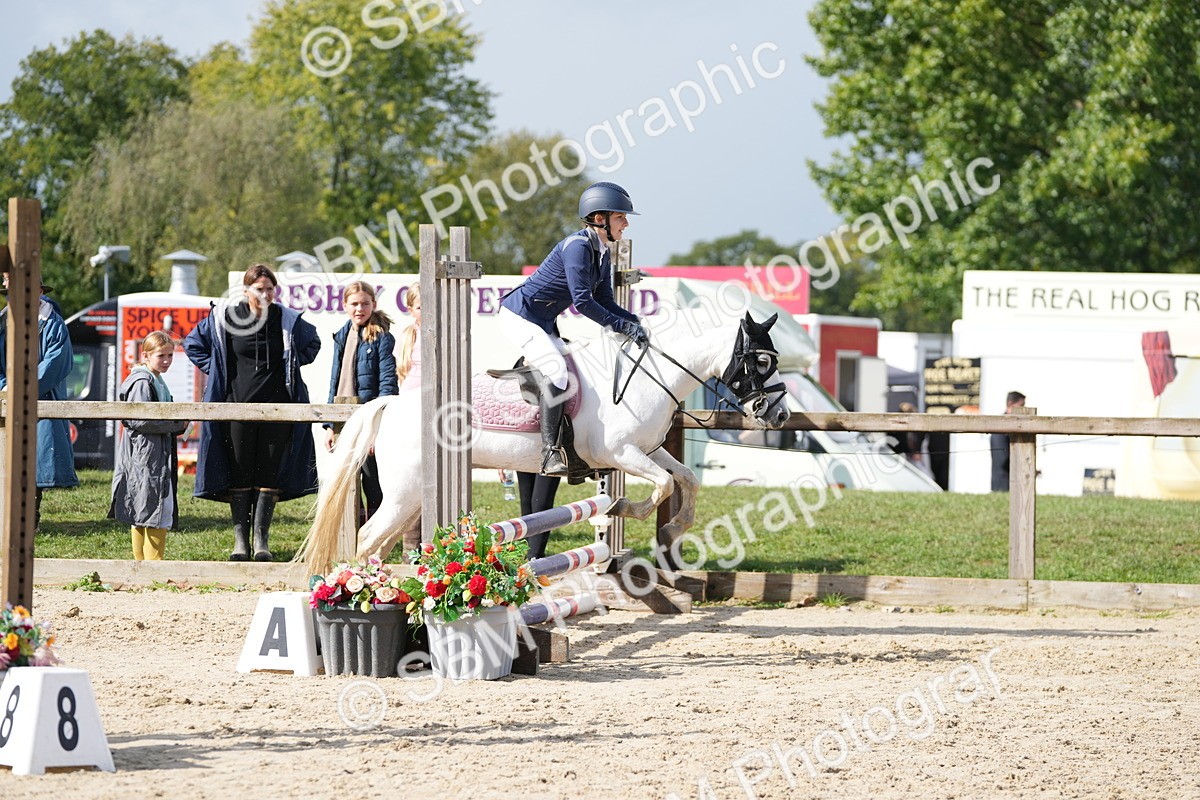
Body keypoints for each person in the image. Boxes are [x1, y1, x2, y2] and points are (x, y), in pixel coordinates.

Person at [499, 181, 647, 476]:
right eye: (621, 217)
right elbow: (583, 302)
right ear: (599, 219)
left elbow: (605, 300)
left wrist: (634, 322)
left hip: (542, 321)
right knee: (556, 370)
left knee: (576, 370)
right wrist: (621, 326)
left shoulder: (602, 251)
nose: (626, 224)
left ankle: (571, 448)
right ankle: (549, 452)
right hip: (519, 315)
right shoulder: (578, 247)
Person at [183, 264, 321, 562]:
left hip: (278, 409)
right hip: (236, 407)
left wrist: (292, 366)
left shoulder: (286, 319)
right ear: (246, 291)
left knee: (268, 474)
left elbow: (314, 343)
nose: (266, 293)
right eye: (260, 288)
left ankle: (261, 542)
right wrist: (217, 370)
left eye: (270, 288)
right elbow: (193, 344)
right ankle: (240, 543)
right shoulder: (227, 317)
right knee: (240, 473)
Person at [0, 272, 79, 528]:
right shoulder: (3, 322)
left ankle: (28, 521)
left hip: (39, 402)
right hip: (4, 401)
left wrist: (22, 388)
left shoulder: (53, 324)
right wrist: (5, 387)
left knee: (33, 465)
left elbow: (55, 364)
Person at [109, 332, 188, 560]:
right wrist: (174, 425)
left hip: (150, 451)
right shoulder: (143, 381)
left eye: (170, 355)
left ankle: (144, 565)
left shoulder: (155, 379)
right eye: (161, 355)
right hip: (145, 453)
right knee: (153, 508)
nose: (167, 360)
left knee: (145, 507)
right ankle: (152, 567)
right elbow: (140, 420)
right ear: (146, 355)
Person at [324, 281, 398, 520]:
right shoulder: (342, 335)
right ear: (345, 305)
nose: (359, 309)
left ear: (373, 305)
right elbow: (334, 380)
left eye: (365, 303)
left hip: (369, 418)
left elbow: (388, 384)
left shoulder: (382, 337)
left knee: (372, 481)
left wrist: (378, 427)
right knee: (346, 478)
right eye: (354, 304)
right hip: (343, 418)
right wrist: (330, 426)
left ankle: (374, 531)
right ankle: (352, 531)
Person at [990, 391, 1027, 492]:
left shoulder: (1007, 426)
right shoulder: (1001, 427)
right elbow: (1003, 459)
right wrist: (1025, 469)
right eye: (1021, 405)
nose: (1024, 409)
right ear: (1011, 404)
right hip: (1004, 484)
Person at [396, 284, 421, 389]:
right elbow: (402, 371)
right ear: (411, 310)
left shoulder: (445, 334)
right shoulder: (407, 335)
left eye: (431, 304)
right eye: (419, 308)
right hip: (411, 391)